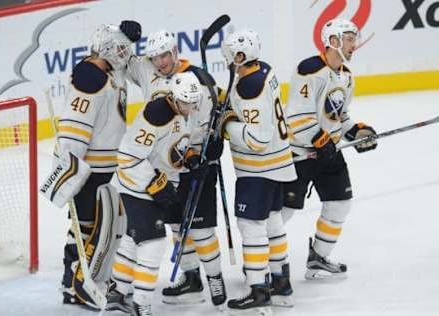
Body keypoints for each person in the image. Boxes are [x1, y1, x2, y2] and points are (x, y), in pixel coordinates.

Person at [108, 29, 227, 309]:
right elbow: (120, 59)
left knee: (201, 230)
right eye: (154, 57)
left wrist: (206, 150)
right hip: (160, 169)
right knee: (175, 228)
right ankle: (191, 278)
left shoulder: (198, 80)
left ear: (174, 51)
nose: (160, 62)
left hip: (193, 162)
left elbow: (217, 114)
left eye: (163, 55)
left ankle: (214, 279)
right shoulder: (149, 75)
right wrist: (124, 37)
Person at [40, 21, 141, 307]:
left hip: (108, 165)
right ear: (107, 49)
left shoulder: (110, 69)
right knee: (84, 227)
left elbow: (131, 64)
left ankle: (90, 278)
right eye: (120, 48)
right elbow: (74, 129)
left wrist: (128, 33)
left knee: (104, 226)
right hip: (90, 168)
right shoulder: (90, 78)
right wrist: (70, 171)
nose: (125, 53)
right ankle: (72, 283)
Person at [282, 18, 378, 280]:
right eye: (348, 39)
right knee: (283, 212)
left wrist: (357, 131)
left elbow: (340, 116)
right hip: (299, 154)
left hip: (328, 154)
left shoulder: (346, 77)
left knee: (339, 204)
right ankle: (263, 264)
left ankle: (318, 258)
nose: (353, 45)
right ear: (333, 41)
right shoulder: (309, 70)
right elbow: (297, 118)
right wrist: (322, 141)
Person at [109, 72, 203, 315]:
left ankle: (117, 290)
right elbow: (128, 157)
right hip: (136, 188)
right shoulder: (156, 115)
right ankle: (142, 303)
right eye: (185, 103)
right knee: (153, 243)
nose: (189, 108)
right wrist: (156, 185)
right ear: (173, 97)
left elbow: (173, 144)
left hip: (150, 186)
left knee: (133, 240)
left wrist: (189, 157)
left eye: (193, 103)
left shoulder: (182, 110)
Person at [218, 29, 297, 314]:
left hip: (258, 170)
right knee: (273, 223)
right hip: (280, 164)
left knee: (252, 228)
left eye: (230, 53)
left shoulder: (246, 87)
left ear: (241, 55)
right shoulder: (264, 70)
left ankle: (258, 289)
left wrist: (228, 125)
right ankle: (281, 282)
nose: (227, 57)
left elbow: (257, 140)